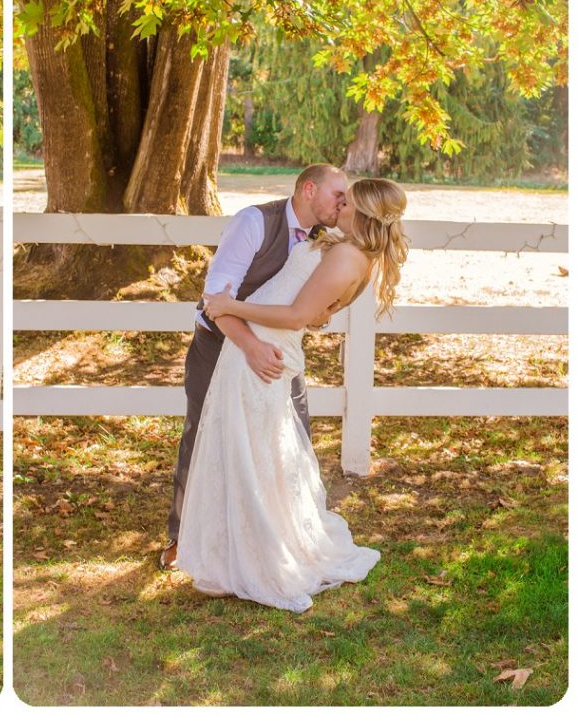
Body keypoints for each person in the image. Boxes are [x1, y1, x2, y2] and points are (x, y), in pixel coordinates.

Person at [175, 177, 408, 612]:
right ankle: (229, 554)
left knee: (254, 454)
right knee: (247, 449)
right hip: (251, 345)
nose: (340, 204)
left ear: (362, 213)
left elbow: (300, 314)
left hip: (264, 350)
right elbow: (315, 310)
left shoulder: (347, 256)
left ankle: (258, 557)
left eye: (348, 200)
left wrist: (230, 307)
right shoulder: (343, 246)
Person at [159, 164, 348, 570]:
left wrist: (316, 315)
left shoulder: (328, 238)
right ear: (309, 190)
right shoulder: (254, 223)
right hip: (220, 343)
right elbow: (214, 299)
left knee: (293, 434)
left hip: (280, 352)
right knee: (204, 433)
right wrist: (250, 347)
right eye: (338, 195)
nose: (343, 203)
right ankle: (182, 537)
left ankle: (285, 535)